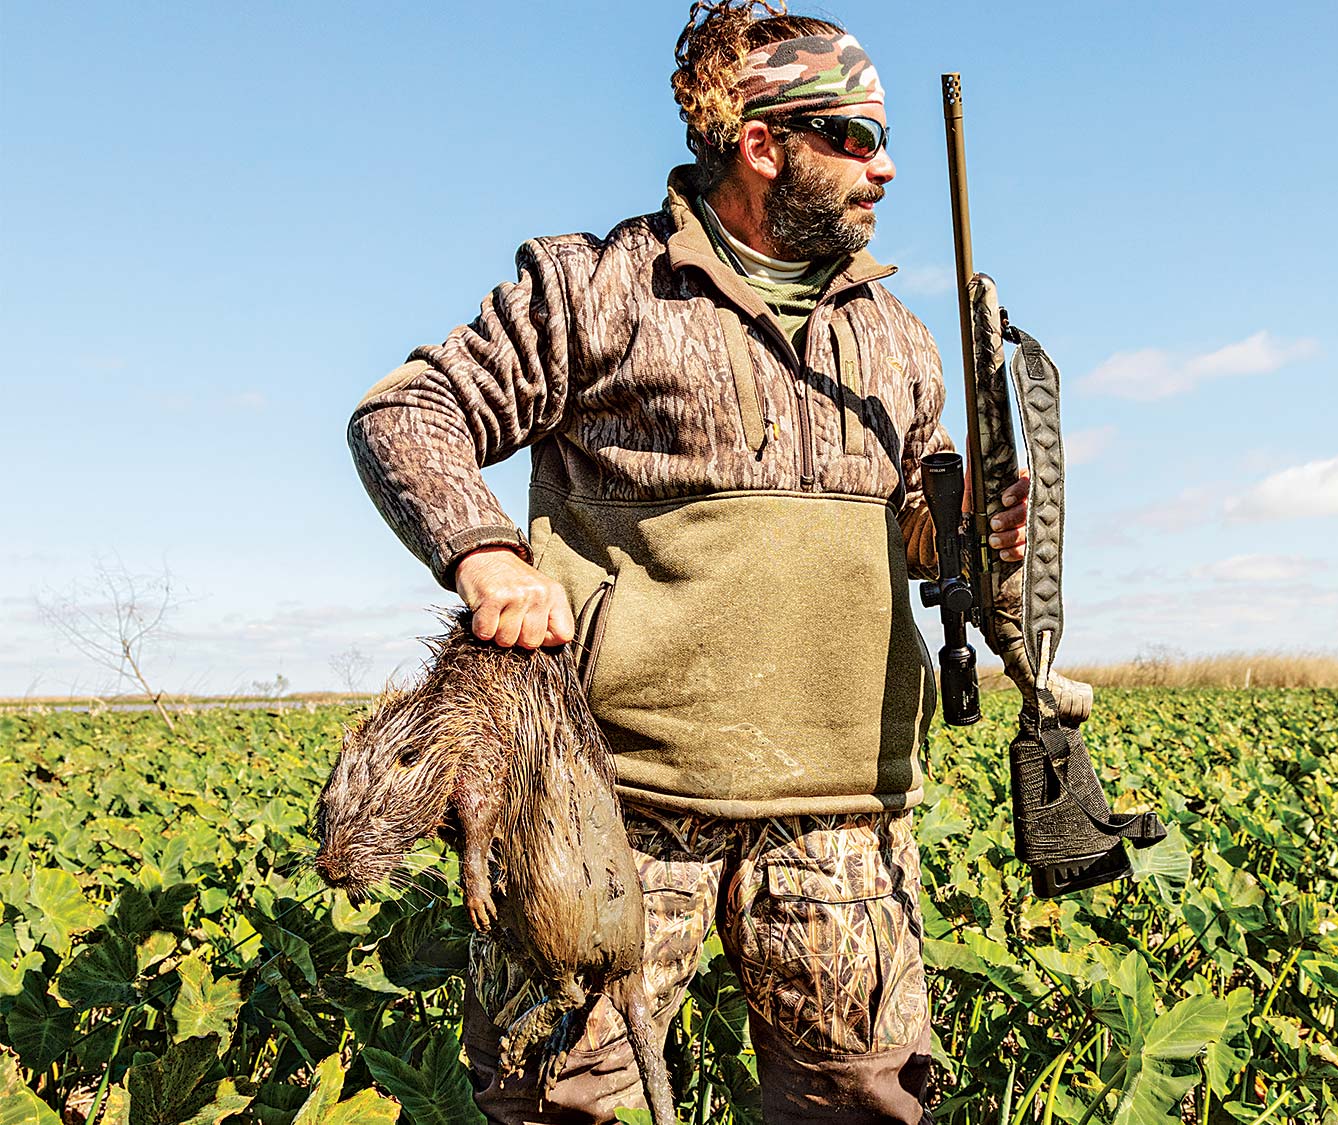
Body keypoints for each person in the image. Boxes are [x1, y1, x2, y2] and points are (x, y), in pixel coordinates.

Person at [347, 3, 1029, 1121]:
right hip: (609, 800)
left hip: (841, 806)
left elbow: (921, 527)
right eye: (856, 138)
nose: (888, 168)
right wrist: (484, 557)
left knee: (859, 1101)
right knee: (568, 1101)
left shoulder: (896, 337)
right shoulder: (600, 290)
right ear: (763, 145)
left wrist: (965, 529)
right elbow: (408, 411)